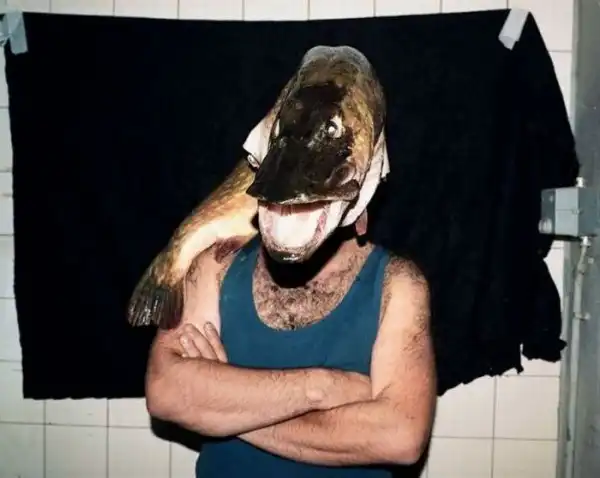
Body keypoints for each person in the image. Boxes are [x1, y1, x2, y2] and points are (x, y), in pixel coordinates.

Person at [144, 206, 437, 477]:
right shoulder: (216, 264)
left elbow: (401, 437)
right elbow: (165, 390)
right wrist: (321, 388)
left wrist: (221, 410)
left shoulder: (397, 282)